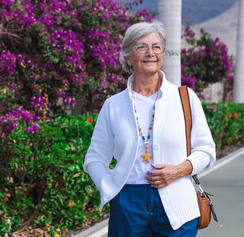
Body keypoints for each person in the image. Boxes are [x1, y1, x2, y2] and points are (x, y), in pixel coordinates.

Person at [83, 21, 216, 236]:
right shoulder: (113, 105)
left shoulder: (185, 98)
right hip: (128, 203)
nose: (150, 53)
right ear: (127, 57)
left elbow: (207, 151)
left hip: (178, 201)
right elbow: (94, 158)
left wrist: (178, 171)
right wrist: (111, 190)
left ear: (162, 54)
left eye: (156, 47)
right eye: (141, 47)